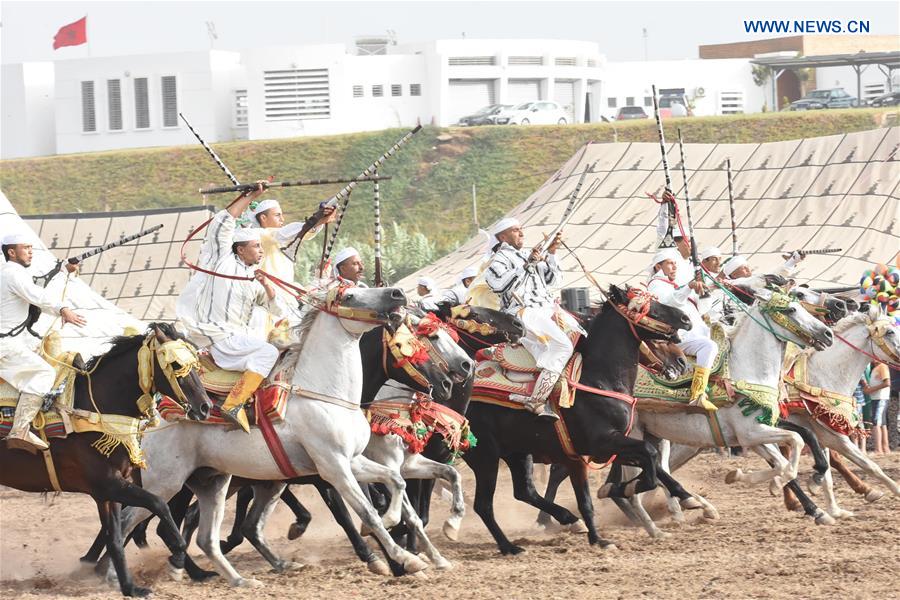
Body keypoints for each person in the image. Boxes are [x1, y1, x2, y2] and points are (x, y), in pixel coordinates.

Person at [176, 183, 285, 433]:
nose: (260, 251)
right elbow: (223, 223)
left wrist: (268, 287)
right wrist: (251, 197)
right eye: (256, 246)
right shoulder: (220, 260)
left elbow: (277, 308)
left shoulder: (252, 279)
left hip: (239, 338)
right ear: (240, 248)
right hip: (220, 336)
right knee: (268, 353)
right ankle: (234, 404)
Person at [483, 217, 580, 421]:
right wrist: (526, 265)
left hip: (549, 310)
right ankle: (537, 399)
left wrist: (551, 253)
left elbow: (554, 280)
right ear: (502, 237)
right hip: (524, 313)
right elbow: (499, 285)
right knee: (563, 347)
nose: (521, 233)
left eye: (521, 229)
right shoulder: (498, 260)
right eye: (516, 230)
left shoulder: (529, 255)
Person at [1, 232, 86, 451]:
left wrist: (63, 271)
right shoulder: (13, 274)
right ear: (11, 252)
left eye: (31, 247)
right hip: (6, 347)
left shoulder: (13, 274)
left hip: (14, 344)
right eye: (25, 247)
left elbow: (40, 286)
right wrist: (63, 309)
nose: (30, 252)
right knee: (45, 373)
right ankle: (20, 429)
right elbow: (37, 295)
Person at [647, 247, 718, 411]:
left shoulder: (675, 284)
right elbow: (670, 304)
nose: (674, 267)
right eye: (670, 263)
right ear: (658, 266)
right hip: (678, 338)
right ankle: (698, 393)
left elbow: (702, 309)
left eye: (675, 263)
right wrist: (688, 287)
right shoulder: (656, 285)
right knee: (709, 346)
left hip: (697, 333)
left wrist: (704, 292)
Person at [720, 251, 806, 281]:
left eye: (747, 266)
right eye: (743, 268)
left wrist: (792, 261)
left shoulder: (755, 276)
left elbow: (773, 275)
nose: (748, 269)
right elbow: (772, 278)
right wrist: (791, 262)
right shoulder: (736, 284)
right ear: (734, 275)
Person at [864, 360, 891, 454]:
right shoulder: (875, 368)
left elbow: (887, 383)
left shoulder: (882, 366)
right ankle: (885, 448)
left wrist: (871, 390)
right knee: (882, 424)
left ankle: (878, 449)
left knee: (876, 422)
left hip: (880, 398)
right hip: (877, 398)